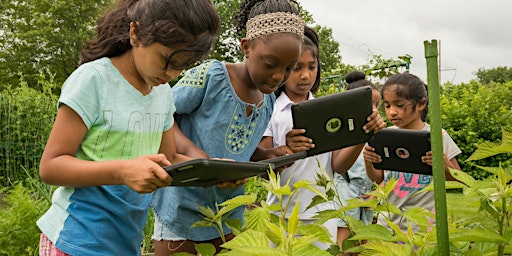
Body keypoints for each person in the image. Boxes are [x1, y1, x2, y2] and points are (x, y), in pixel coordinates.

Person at [35, 0, 220, 255]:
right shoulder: (94, 80)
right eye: (166, 60)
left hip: (124, 242)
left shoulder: (163, 93)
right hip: (76, 240)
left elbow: (169, 159)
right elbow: (51, 166)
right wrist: (122, 171)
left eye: (182, 66)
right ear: (135, 33)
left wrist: (216, 171)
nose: (172, 74)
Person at [150, 0, 306, 254]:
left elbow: (244, 146)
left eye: (289, 68)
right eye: (270, 64)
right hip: (180, 208)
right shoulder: (211, 77)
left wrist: (268, 156)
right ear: (246, 47)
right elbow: (161, 114)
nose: (279, 76)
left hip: (227, 214)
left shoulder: (267, 100)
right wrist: (197, 157)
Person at [258, 28, 386, 250]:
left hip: (321, 213)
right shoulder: (270, 110)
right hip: (281, 212)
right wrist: (287, 148)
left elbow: (338, 165)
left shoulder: (327, 111)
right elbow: (263, 168)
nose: (305, 75)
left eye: (312, 67)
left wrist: (362, 135)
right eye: (297, 68)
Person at [363, 73, 462, 233]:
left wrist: (444, 166)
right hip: (388, 226)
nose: (392, 112)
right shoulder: (385, 136)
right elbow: (379, 178)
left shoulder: (437, 137)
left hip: (424, 229)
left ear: (421, 104)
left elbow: (459, 181)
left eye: (399, 105)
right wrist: (369, 162)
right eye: (387, 106)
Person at [334, 71, 381, 250]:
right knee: (344, 245)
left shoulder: (375, 136)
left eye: (378, 104)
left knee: (363, 244)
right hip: (345, 195)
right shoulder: (344, 133)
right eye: (370, 104)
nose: (375, 110)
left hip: (365, 196)